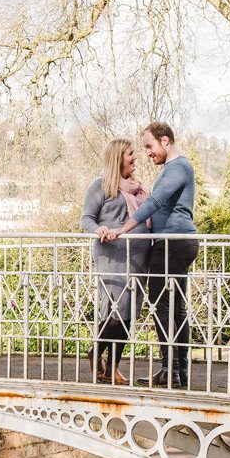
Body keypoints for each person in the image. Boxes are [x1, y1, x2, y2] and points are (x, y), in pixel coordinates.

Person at [100, 121, 197, 388]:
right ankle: (177, 372)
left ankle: (171, 370)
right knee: (175, 308)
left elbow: (155, 203)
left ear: (165, 141)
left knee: (165, 307)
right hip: (175, 242)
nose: (147, 153)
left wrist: (124, 228)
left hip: (173, 244)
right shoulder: (172, 168)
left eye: (149, 146)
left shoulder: (178, 167)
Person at [80, 138, 148, 384]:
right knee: (116, 311)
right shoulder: (100, 186)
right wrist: (99, 230)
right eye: (131, 154)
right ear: (118, 158)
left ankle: (112, 368)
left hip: (139, 257)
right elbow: (86, 218)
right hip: (112, 256)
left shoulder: (138, 188)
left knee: (128, 314)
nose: (135, 158)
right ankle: (95, 351)